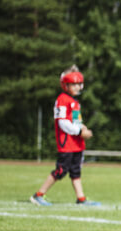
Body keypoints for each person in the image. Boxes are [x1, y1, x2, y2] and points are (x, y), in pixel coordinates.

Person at [30, 65, 100, 206]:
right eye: (73, 84)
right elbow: (62, 123)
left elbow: (75, 121)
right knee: (61, 170)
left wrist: (83, 127)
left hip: (76, 144)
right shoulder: (62, 99)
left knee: (76, 171)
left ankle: (81, 198)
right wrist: (80, 131)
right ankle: (38, 195)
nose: (77, 87)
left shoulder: (74, 102)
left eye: (78, 84)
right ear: (65, 85)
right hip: (67, 143)